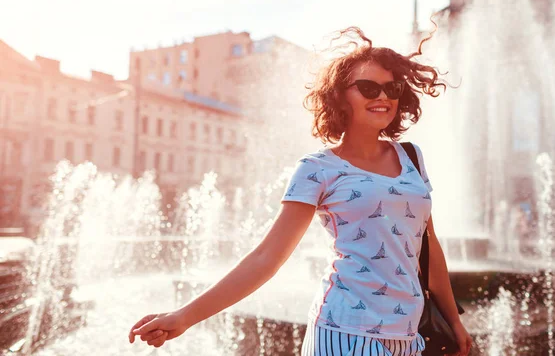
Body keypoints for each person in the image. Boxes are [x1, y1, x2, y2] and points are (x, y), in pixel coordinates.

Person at [128, 27, 473, 356]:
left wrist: (453, 320)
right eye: (368, 88)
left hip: (410, 334)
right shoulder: (318, 168)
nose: (383, 96)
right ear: (340, 95)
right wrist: (184, 317)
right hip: (344, 333)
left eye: (392, 88)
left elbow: (428, 247)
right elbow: (266, 259)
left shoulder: (411, 156)